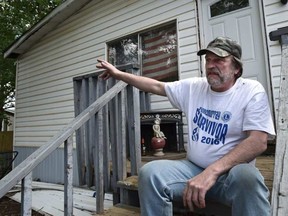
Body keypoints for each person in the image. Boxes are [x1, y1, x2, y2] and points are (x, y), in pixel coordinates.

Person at [96, 36, 275, 216]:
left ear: (236, 68)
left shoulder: (251, 91)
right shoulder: (194, 87)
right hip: (192, 170)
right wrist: (118, 74)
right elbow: (156, 86)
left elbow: (258, 141)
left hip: (230, 176)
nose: (211, 65)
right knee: (150, 172)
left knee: (248, 177)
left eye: (219, 60)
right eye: (208, 60)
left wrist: (212, 172)